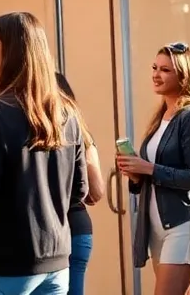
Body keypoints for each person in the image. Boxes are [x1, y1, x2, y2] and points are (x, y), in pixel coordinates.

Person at [0, 12, 87, 295]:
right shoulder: (68, 112)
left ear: (12, 50)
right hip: (56, 263)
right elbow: (79, 190)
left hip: (4, 264)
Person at [116, 42, 190, 295]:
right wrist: (137, 175)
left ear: (184, 76)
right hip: (159, 226)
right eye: (154, 68)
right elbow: (152, 174)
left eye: (165, 70)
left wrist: (149, 168)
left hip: (183, 224)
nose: (156, 74)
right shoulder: (161, 116)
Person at [54, 73, 106, 295]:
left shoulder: (41, 135)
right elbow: (96, 192)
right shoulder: (83, 136)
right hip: (79, 226)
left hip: (53, 231)